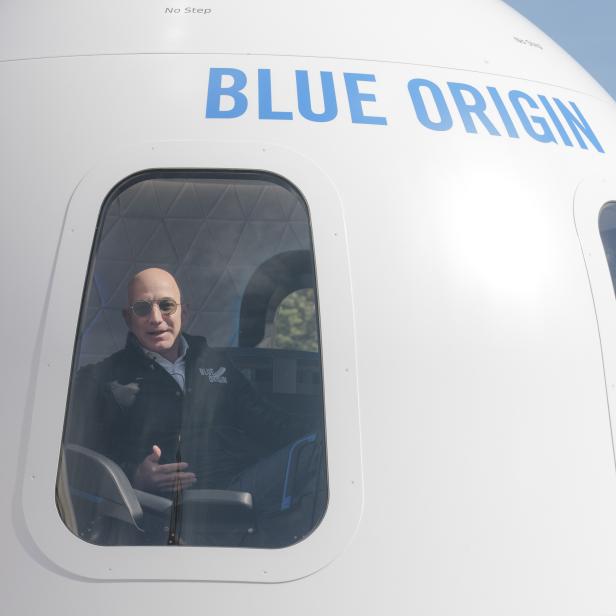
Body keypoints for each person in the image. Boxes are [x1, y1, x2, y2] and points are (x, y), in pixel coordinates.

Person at [66, 268, 302, 496]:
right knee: (313, 455)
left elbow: (265, 420)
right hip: (176, 509)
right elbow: (78, 460)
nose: (156, 319)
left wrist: (316, 430)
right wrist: (134, 477)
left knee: (318, 448)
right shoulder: (101, 379)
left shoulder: (211, 360)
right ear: (128, 318)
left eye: (166, 306)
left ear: (183, 312)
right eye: (142, 308)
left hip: (241, 484)